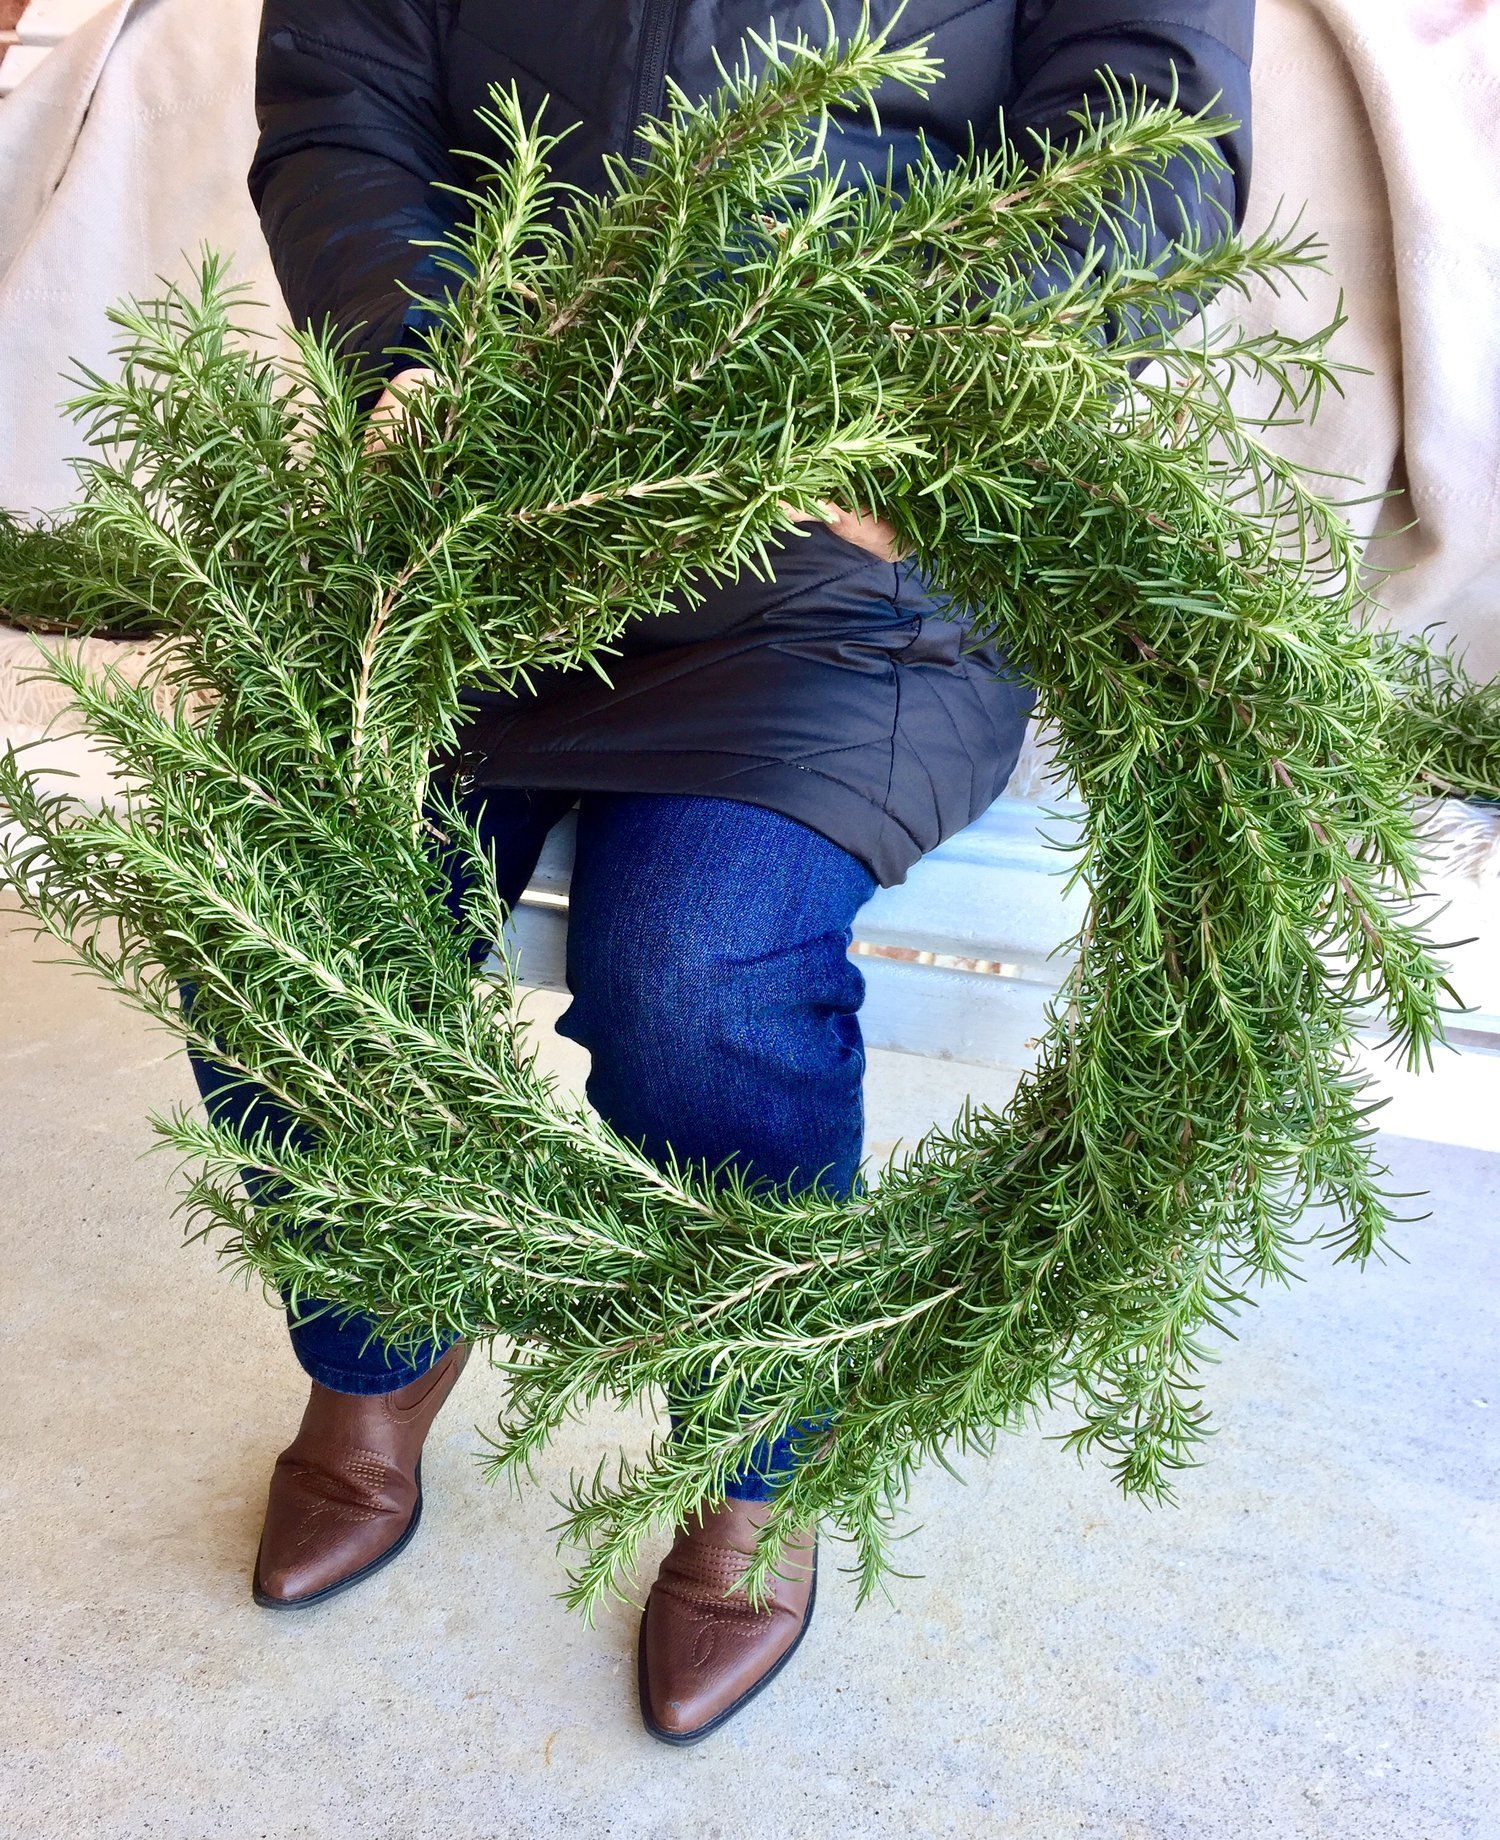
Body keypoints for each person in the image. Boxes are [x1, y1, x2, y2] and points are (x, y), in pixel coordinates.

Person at [204, 0, 1254, 1745]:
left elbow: (1156, 131)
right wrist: (416, 357)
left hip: (842, 540)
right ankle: (374, 1352)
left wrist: (921, 386)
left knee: (696, 962)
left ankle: (759, 1448)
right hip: (499, 500)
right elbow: (343, 100)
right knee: (281, 919)